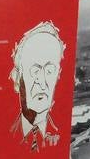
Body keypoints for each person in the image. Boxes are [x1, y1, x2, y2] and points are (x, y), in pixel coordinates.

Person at [8, 21, 65, 151]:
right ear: (17, 79)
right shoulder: (3, 131)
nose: (42, 82)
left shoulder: (62, 132)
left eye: (50, 71)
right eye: (35, 71)